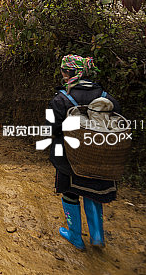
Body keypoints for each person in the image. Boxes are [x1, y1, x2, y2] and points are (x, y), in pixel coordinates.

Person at [48, 54, 121, 250]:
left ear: (68, 73)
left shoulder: (62, 99)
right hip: (100, 158)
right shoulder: (106, 98)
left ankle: (75, 236)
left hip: (70, 160)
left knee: (70, 193)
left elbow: (53, 129)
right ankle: (97, 235)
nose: (62, 74)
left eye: (63, 71)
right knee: (94, 192)